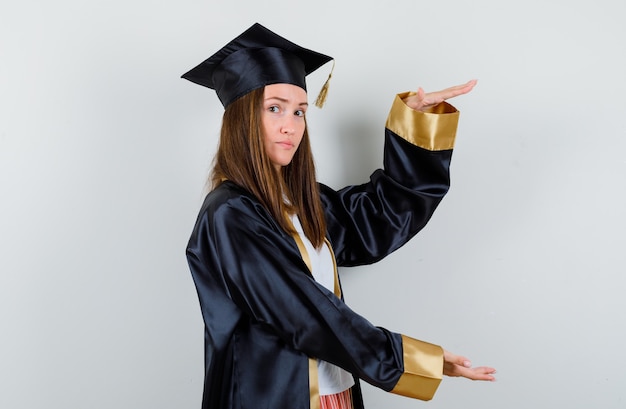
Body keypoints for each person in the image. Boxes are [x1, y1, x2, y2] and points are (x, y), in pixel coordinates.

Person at [182, 22, 496, 409]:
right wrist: (408, 358)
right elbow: (305, 313)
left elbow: (378, 219)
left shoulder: (300, 202)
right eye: (274, 108)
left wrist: (417, 125)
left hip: (336, 393)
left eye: (299, 112)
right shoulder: (230, 216)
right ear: (242, 118)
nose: (290, 125)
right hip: (274, 398)